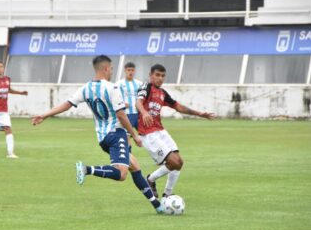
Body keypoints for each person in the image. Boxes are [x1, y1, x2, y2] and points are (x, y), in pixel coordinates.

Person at [31, 55, 163, 213]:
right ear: (106, 68)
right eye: (112, 68)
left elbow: (67, 104)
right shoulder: (112, 87)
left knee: (134, 167)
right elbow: (121, 115)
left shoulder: (86, 88)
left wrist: (44, 115)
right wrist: (134, 135)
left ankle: (158, 206)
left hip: (103, 137)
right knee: (121, 174)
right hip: (116, 134)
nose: (112, 71)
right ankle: (87, 169)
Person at [136, 64, 215, 198]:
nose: (160, 78)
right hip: (148, 134)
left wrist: (200, 114)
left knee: (179, 162)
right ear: (150, 75)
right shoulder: (146, 87)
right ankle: (150, 179)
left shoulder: (162, 93)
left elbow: (179, 107)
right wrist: (144, 112)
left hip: (160, 131)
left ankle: (167, 194)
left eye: (162, 76)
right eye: (157, 75)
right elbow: (138, 102)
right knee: (174, 162)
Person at [116, 62, 142, 149]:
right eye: (129, 70)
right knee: (127, 137)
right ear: (125, 71)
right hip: (126, 115)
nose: (131, 72)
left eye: (132, 70)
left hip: (138, 115)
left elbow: (143, 97)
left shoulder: (139, 84)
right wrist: (123, 104)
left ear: (135, 71)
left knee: (148, 135)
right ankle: (128, 157)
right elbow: (115, 99)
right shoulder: (119, 84)